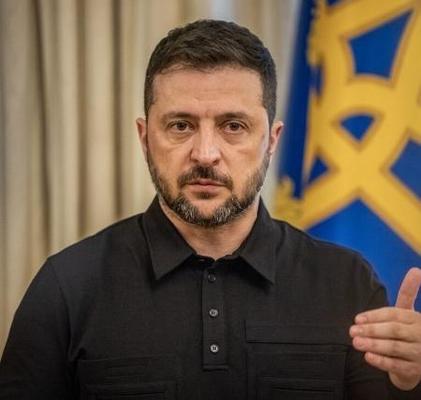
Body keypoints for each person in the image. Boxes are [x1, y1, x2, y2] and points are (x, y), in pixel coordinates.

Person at [1, 19, 421, 400]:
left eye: (233, 126)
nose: (205, 154)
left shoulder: (347, 283)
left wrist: (410, 383)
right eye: (180, 125)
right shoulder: (66, 288)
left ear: (272, 140)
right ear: (145, 138)